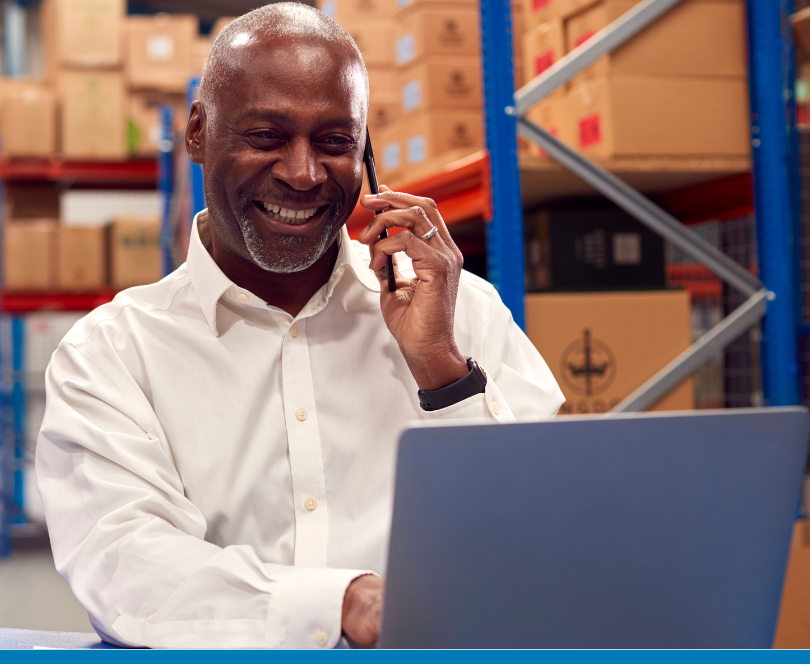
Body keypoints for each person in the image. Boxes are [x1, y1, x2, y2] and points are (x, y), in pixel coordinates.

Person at [35, 3, 565, 649]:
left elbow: (540, 537)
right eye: (265, 136)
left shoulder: (460, 314)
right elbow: (123, 565)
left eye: (334, 143)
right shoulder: (113, 353)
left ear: (366, 156)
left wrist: (441, 370)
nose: (303, 172)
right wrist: (341, 604)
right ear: (197, 133)